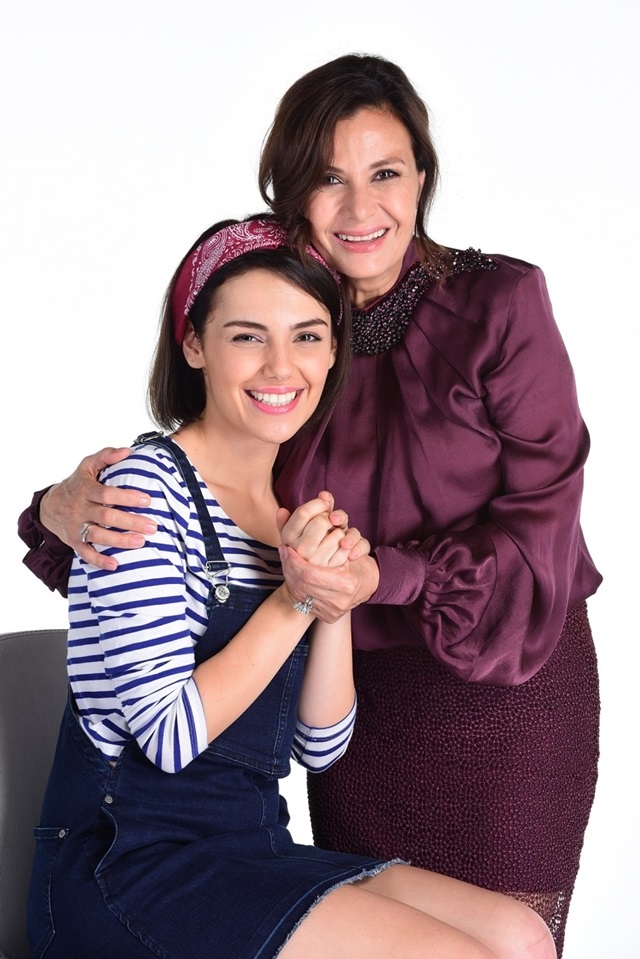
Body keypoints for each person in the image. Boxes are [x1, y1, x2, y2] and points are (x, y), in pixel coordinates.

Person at [18, 54, 600, 957]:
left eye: (386, 172)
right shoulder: (269, 352)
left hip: (498, 680)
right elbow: (149, 620)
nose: (361, 207)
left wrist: (348, 584)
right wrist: (55, 504)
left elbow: (539, 531)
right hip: (187, 818)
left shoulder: (493, 305)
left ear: (422, 178)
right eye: (329, 178)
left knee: (522, 937)